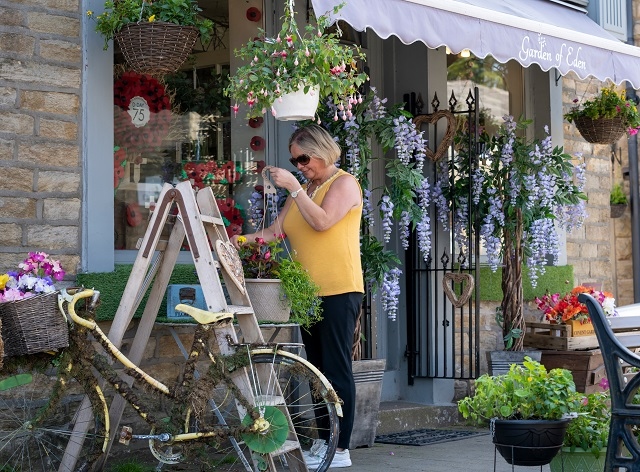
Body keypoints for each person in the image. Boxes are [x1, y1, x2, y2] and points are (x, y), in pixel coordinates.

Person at [231, 124, 363, 469]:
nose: (299, 165)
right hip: (307, 293)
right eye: (294, 161)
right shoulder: (306, 188)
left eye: (303, 158)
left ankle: (342, 447)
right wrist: (237, 242)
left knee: (335, 369)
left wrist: (293, 189)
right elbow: (275, 233)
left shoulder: (343, 183)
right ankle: (324, 441)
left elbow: (323, 222)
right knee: (315, 371)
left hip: (338, 289)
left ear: (321, 151)